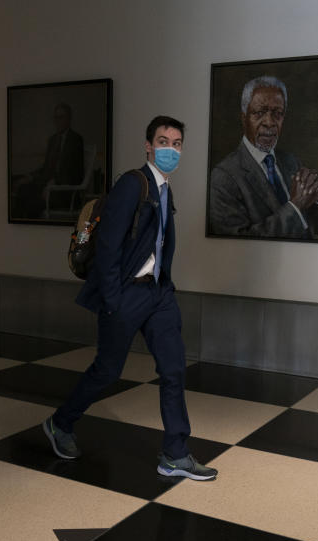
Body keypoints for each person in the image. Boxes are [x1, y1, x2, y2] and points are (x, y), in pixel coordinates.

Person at [42, 116, 217, 481]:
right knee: (107, 371)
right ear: (148, 146)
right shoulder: (131, 185)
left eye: (177, 143)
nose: (170, 148)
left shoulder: (166, 192)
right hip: (126, 294)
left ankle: (175, 453)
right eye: (163, 141)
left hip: (157, 294)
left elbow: (160, 245)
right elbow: (107, 248)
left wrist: (164, 286)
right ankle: (61, 423)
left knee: (173, 369)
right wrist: (113, 299)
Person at [208, 75, 318, 239]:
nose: (269, 122)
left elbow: (315, 222)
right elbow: (238, 242)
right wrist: (295, 206)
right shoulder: (223, 177)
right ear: (244, 118)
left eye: (278, 113)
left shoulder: (291, 162)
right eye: (260, 113)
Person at [15, 103, 85, 216]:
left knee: (32, 205)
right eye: (56, 118)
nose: (57, 121)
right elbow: (46, 167)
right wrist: (30, 177)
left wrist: (54, 183)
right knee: (22, 190)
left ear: (69, 119)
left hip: (63, 192)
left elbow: (75, 172)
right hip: (47, 187)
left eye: (61, 117)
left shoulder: (75, 140)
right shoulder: (53, 140)